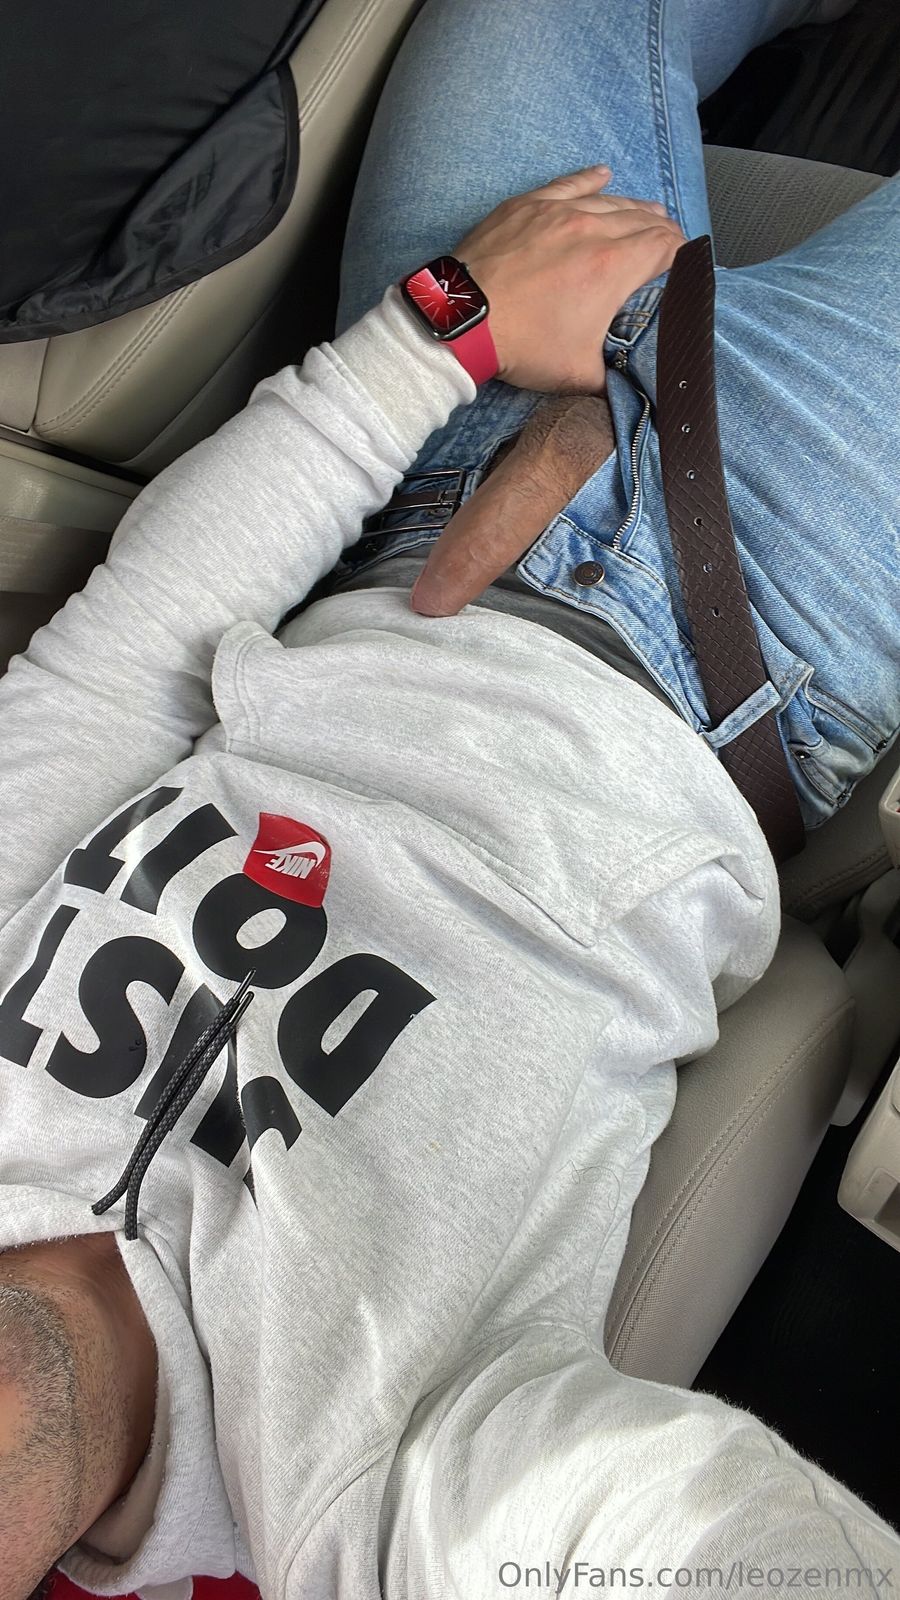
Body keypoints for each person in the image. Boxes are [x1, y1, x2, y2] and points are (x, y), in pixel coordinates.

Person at [0, 0, 897, 1595]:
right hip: (775, 611)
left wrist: (444, 331)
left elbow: (124, 662)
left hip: (437, 458)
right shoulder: (362, 1498)